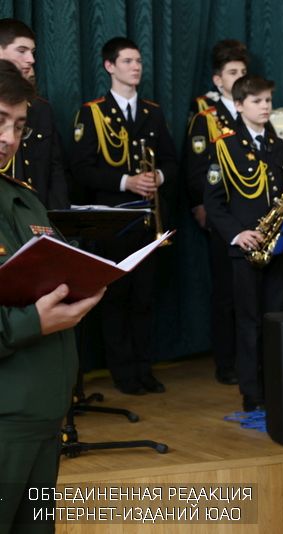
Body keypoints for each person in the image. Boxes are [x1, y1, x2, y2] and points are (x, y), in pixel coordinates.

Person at [0, 61, 105, 534]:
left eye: (19, 125)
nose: (9, 138)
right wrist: (34, 322)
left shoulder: (24, 198)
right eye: (0, 120)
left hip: (45, 416)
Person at [70, 37, 178, 395]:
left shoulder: (152, 112)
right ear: (109, 66)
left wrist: (157, 177)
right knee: (116, 298)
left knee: (144, 298)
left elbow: (170, 162)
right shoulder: (93, 113)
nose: (136, 67)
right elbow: (81, 169)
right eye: (128, 61)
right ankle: (123, 372)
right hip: (112, 223)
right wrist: (126, 181)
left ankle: (144, 368)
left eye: (138, 61)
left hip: (147, 220)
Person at [204, 74, 283, 412]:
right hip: (245, 249)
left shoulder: (278, 144)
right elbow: (213, 202)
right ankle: (252, 392)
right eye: (257, 101)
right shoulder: (224, 146)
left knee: (274, 320)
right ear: (239, 105)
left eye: (268, 100)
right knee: (249, 322)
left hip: (277, 247)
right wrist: (238, 234)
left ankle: (275, 387)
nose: (265, 106)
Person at [184, 39, 249, 386]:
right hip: (222, 215)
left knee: (248, 294)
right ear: (218, 80)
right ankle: (226, 363)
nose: (239, 77)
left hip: (252, 215)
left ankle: (249, 359)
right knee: (225, 293)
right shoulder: (207, 118)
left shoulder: (251, 113)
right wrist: (200, 205)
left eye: (243, 71)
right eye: (232, 72)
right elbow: (197, 167)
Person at [0, 19, 68, 209]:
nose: (31, 59)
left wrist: (55, 217)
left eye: (32, 52)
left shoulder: (41, 109)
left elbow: (55, 171)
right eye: (22, 51)